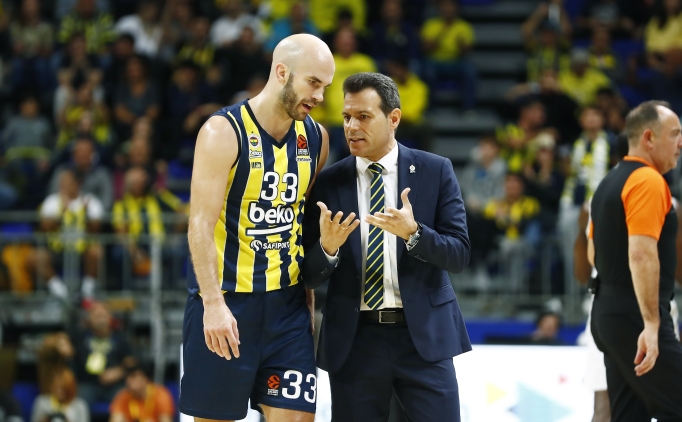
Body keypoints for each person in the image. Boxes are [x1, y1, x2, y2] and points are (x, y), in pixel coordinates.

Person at [179, 33, 334, 422]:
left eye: (325, 87)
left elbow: (301, 222)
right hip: (227, 303)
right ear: (281, 72)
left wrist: (308, 300)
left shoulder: (316, 138)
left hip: (287, 310)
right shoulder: (222, 132)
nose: (319, 96)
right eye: (313, 83)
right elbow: (199, 224)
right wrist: (212, 304)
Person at [302, 72, 471, 421]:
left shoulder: (435, 170)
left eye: (363, 116)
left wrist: (414, 234)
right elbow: (308, 274)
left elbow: (458, 255)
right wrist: (328, 250)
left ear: (393, 118)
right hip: (355, 340)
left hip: (423, 337)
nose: (351, 127)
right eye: (347, 117)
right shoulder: (328, 182)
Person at [589, 100, 682, 420]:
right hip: (637, 317)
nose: (681, 143)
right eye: (675, 134)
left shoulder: (608, 182)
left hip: (607, 313)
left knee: (629, 416)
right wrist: (652, 323)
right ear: (648, 138)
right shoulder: (648, 181)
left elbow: (593, 253)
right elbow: (641, 254)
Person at [109, 364, 174, 422]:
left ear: (146, 379)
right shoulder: (123, 396)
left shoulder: (160, 394)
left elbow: (165, 419)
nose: (128, 380)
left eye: (133, 376)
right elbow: (116, 419)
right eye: (127, 377)